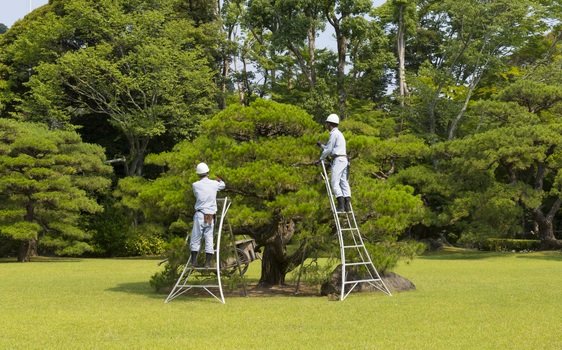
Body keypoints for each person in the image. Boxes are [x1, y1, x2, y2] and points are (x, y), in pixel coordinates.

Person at [190, 162, 225, 268]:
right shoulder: (214, 184)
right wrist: (219, 180)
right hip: (210, 215)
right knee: (209, 237)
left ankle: (194, 262)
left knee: (196, 237)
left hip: (200, 214)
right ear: (208, 172)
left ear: (198, 174)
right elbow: (223, 185)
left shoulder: (195, 185)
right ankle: (208, 263)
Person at [317, 113, 351, 212]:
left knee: (334, 182)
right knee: (344, 182)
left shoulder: (333, 134)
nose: (326, 126)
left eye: (327, 124)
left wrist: (320, 159)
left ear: (330, 124)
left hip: (338, 160)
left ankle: (340, 206)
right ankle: (347, 206)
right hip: (344, 159)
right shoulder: (339, 134)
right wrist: (322, 146)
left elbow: (329, 150)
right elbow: (330, 148)